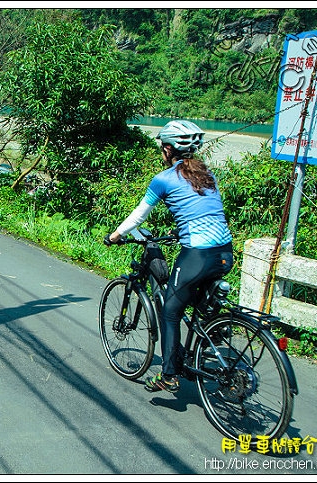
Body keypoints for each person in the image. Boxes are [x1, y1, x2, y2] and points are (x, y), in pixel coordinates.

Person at [104, 120, 234, 393]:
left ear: (167, 149)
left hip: (197, 256)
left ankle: (169, 375)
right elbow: (203, 210)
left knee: (170, 310)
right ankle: (211, 335)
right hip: (224, 252)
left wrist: (115, 235)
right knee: (196, 302)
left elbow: (139, 215)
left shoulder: (162, 179)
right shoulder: (207, 174)